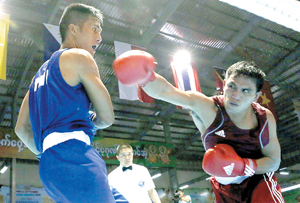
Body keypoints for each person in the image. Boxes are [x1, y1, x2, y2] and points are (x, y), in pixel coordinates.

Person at [113, 52, 285, 203]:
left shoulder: (264, 118)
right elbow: (167, 92)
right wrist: (145, 77)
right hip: (224, 188)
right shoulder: (208, 108)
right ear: (224, 84)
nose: (235, 95)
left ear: (256, 96)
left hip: (258, 181)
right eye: (232, 86)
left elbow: (273, 162)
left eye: (245, 90)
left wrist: (242, 166)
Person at [14, 3, 116, 203]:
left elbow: (20, 129)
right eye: (94, 28)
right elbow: (107, 117)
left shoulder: (36, 79)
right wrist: (92, 122)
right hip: (76, 155)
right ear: (73, 29)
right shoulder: (79, 57)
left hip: (49, 167)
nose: (99, 37)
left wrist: (49, 151)